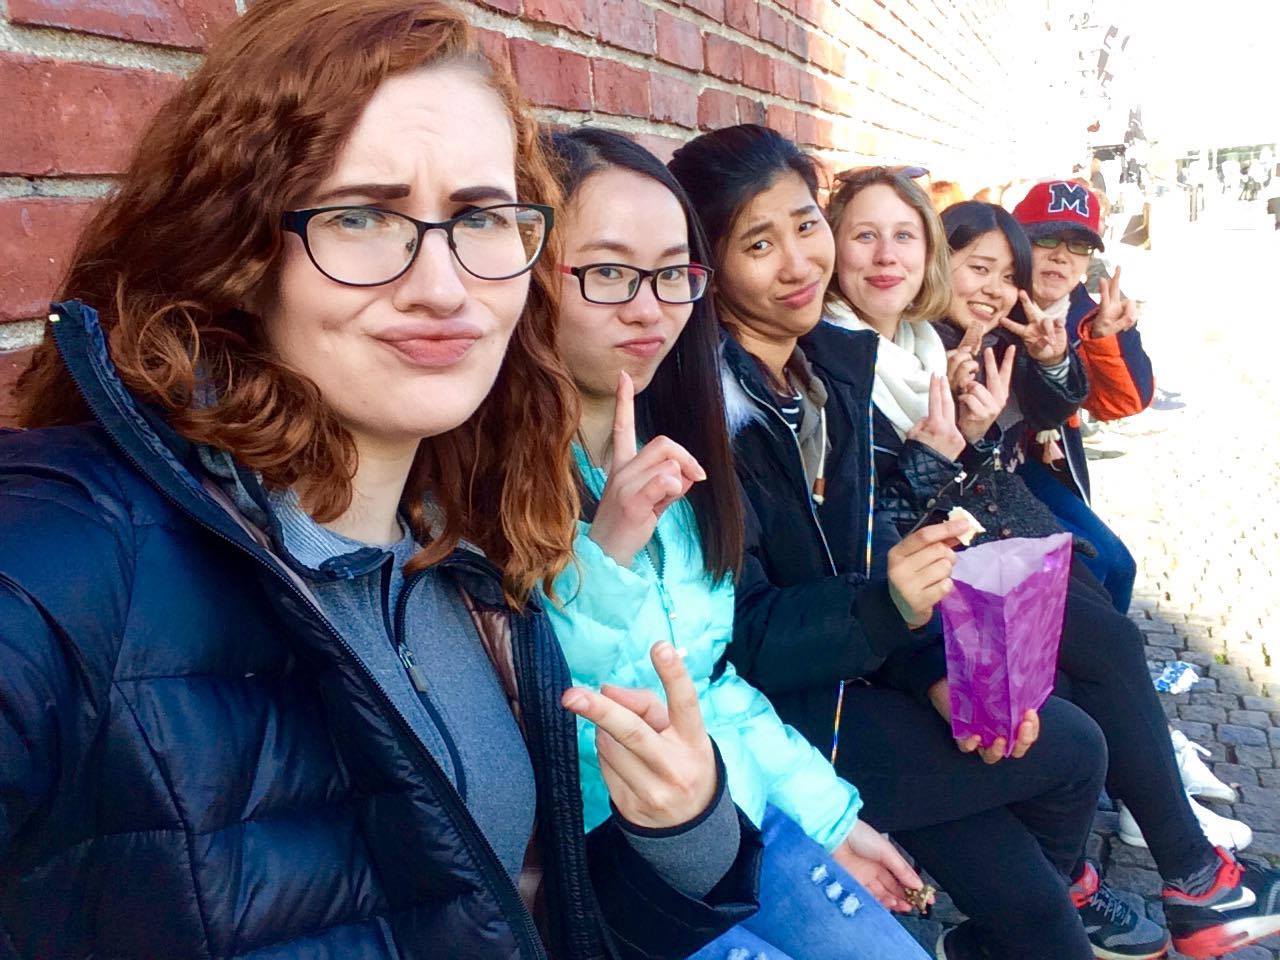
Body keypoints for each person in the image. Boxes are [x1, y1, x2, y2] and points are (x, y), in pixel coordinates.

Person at [0, 4, 764, 958]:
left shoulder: (474, 559)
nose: (442, 287)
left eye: (480, 218)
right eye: (361, 215)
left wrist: (679, 837)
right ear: (237, 245)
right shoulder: (69, 553)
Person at [670, 125, 1116, 960]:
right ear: (707, 266)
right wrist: (891, 605)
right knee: (1074, 749)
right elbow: (745, 632)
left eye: (806, 225)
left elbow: (866, 551)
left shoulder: (828, 370)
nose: (799, 262)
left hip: (870, 674)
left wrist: (934, 673)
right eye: (758, 244)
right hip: (800, 723)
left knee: (1042, 900)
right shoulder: (704, 417)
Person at [820, 164, 1280, 960]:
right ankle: (1176, 874)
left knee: (1099, 613)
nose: (888, 256)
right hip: (900, 618)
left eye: (903, 238)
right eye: (865, 236)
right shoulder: (849, 362)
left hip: (970, 551)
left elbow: (1090, 400)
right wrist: (956, 450)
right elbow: (862, 538)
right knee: (1092, 656)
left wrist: (1070, 353)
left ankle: (1164, 868)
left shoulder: (925, 344)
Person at [540, 126, 931, 960]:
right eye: (608, 272)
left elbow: (710, 678)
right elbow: (562, 709)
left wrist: (830, 818)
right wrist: (606, 553)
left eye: (670, 274)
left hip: (740, 802)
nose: (649, 307)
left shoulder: (683, 446)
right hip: (619, 865)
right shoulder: (494, 479)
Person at [1009, 179, 1153, 613]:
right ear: (1017, 242)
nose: (1062, 255)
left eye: (1079, 245)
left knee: (1117, 566)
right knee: (1096, 566)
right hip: (990, 465)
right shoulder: (988, 298)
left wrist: (1105, 339)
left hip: (1037, 465)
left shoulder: (1086, 318)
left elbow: (1123, 403)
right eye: (1046, 238)